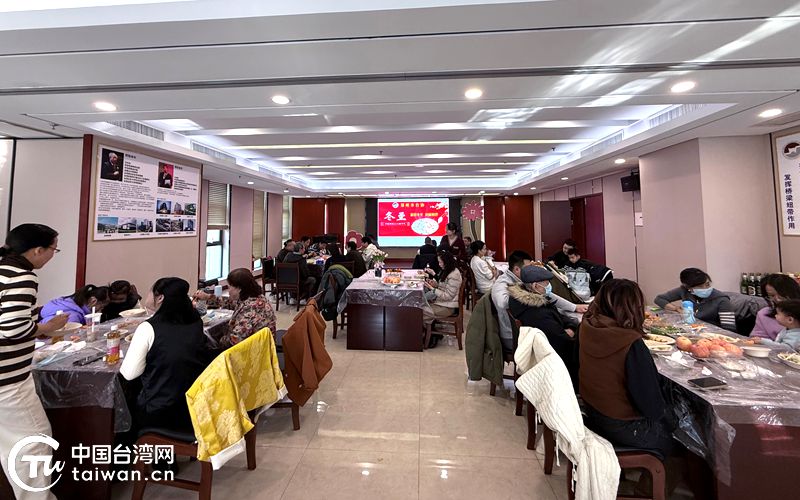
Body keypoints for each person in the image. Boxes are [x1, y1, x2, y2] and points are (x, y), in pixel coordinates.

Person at [0, 224, 70, 499]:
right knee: (34, 441)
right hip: (8, 379)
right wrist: (46, 327)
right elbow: (13, 329)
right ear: (38, 250)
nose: (53, 255)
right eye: (54, 249)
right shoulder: (22, 276)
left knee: (11, 443)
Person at [580, 279, 675, 459]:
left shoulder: (588, 325)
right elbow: (650, 403)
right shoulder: (630, 342)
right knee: (680, 436)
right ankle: (656, 478)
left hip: (594, 410)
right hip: (622, 425)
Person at [120, 277, 212, 433]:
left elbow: (129, 374)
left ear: (160, 298)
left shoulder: (148, 328)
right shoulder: (195, 320)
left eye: (150, 291)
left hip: (161, 410)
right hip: (194, 403)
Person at [508, 265, 580, 383]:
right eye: (546, 283)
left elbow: (560, 317)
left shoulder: (524, 301)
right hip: (553, 358)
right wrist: (573, 328)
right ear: (535, 286)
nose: (549, 286)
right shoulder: (537, 312)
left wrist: (570, 326)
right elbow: (562, 340)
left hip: (547, 345)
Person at [194, 269, 277, 349]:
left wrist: (217, 339)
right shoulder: (255, 298)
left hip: (253, 352)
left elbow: (234, 341)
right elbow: (229, 303)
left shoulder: (250, 310)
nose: (228, 290)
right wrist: (207, 297)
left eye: (230, 287)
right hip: (262, 346)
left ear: (239, 288)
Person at [654, 268, 736, 332]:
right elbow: (659, 299)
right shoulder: (684, 291)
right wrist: (676, 308)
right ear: (688, 288)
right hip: (690, 330)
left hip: (712, 335)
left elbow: (729, 329)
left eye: (707, 284)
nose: (705, 288)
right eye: (700, 286)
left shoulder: (722, 300)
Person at [423, 251, 463, 347]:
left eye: (441, 262)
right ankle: (431, 332)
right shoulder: (448, 270)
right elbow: (444, 287)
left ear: (447, 261)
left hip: (448, 306)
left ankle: (431, 335)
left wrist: (433, 289)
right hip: (444, 302)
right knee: (421, 305)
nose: (439, 264)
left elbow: (448, 296)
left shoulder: (454, 274)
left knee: (420, 310)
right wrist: (435, 284)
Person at [752, 274, 800, 340]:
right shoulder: (764, 314)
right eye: (772, 295)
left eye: (781, 294)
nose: (778, 299)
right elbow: (756, 340)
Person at [39, 284, 111, 325]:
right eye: (102, 305)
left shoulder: (66, 302)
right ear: (93, 301)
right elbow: (69, 338)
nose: (102, 308)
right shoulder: (73, 316)